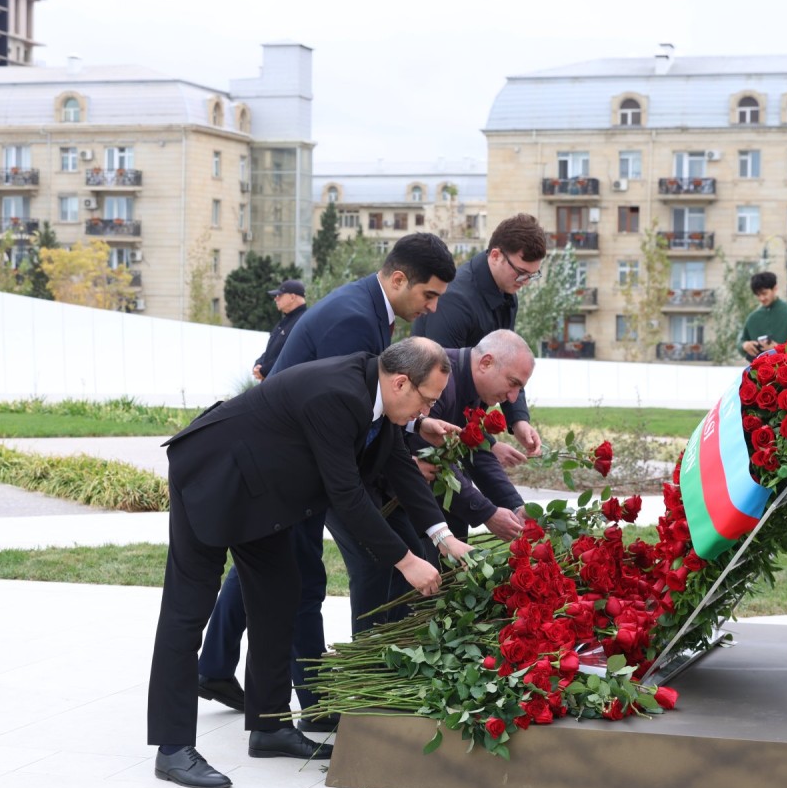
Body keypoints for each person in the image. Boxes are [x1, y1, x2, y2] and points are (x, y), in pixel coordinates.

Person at [147, 340, 460, 788]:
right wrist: (405, 560)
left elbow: (399, 468)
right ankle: (172, 747)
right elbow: (346, 494)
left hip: (262, 493)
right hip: (213, 477)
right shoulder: (338, 395)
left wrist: (443, 538)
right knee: (187, 610)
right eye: (427, 400)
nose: (425, 412)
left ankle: (269, 726)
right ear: (400, 383)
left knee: (279, 596)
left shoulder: (377, 398)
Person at [196, 232, 462, 727]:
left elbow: (378, 411)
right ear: (399, 279)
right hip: (286, 467)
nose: (431, 308)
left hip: (298, 462)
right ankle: (316, 707)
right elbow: (345, 423)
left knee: (272, 570)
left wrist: (415, 425)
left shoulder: (369, 308)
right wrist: (406, 557)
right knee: (299, 583)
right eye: (429, 295)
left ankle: (217, 668)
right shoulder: (354, 321)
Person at [412, 213, 547, 467]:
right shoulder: (455, 300)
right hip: (428, 431)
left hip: (461, 431)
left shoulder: (506, 295)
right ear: (495, 255)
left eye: (532, 275)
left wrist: (518, 419)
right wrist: (488, 444)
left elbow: (509, 363)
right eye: (521, 273)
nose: (525, 282)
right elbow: (443, 387)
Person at [409, 329, 534, 545]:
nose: (513, 398)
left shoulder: (471, 386)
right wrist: (486, 513)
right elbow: (430, 457)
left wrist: (514, 506)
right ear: (486, 363)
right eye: (512, 383)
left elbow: (477, 451)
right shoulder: (437, 377)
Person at [738, 271, 787, 360]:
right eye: (758, 295)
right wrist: (744, 345)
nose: (761, 298)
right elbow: (740, 341)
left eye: (764, 293)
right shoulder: (752, 317)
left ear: (775, 288)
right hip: (759, 368)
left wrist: (779, 348)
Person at [252, 278, 307, 381]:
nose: (276, 299)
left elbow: (294, 354)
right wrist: (258, 364)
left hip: (288, 383)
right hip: (275, 382)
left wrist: (264, 370)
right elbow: (271, 351)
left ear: (292, 297)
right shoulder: (285, 321)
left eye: (279, 295)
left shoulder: (303, 321)